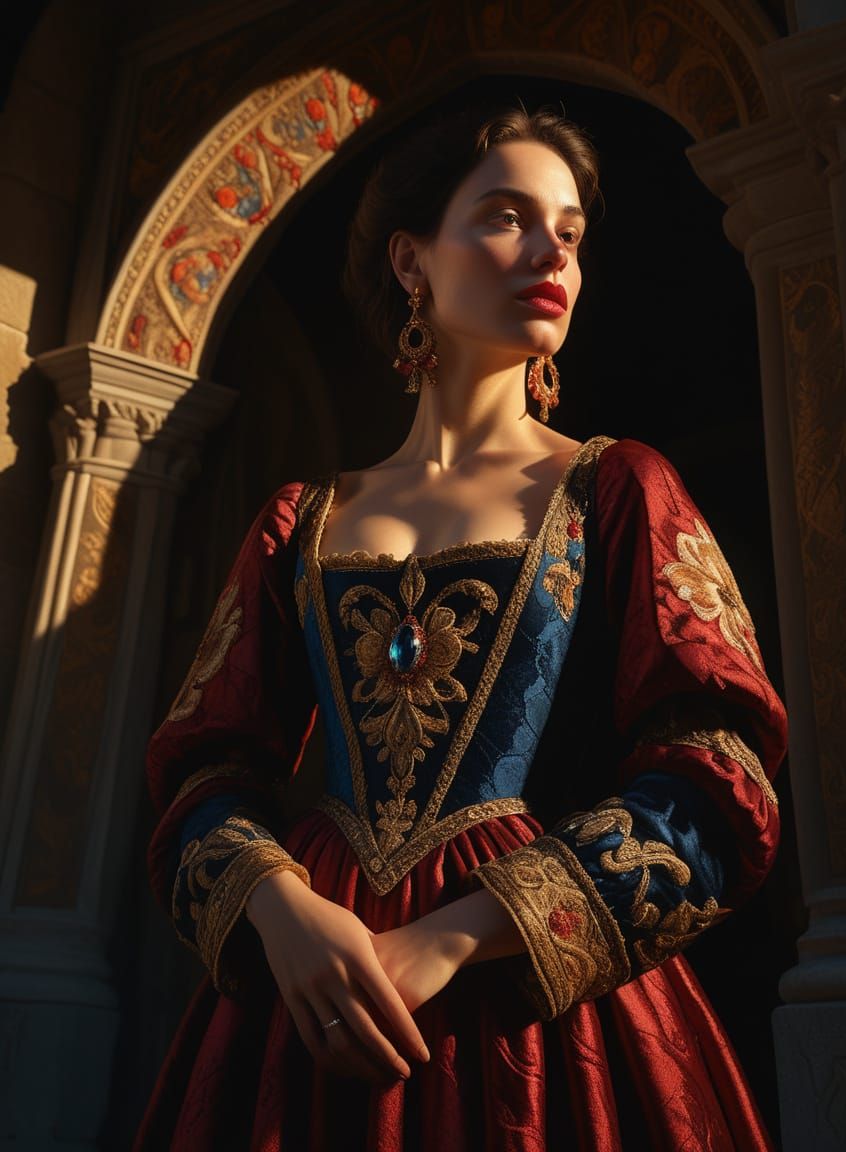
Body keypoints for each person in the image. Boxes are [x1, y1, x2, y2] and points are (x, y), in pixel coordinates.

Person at [135, 103, 787, 1151]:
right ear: (411, 260)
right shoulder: (299, 523)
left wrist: (449, 938)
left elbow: (719, 773)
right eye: (505, 217)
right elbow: (201, 775)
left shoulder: (614, 488)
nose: (549, 254)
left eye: (568, 233)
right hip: (308, 1001)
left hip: (526, 1013)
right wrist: (279, 910)